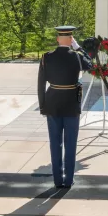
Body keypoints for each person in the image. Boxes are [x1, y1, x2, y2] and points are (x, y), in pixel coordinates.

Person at [37, 26, 93, 189]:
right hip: (71, 103)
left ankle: (57, 180)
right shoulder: (76, 56)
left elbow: (40, 83)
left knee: (55, 143)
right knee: (71, 143)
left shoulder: (46, 57)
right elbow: (90, 64)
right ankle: (68, 180)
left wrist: (42, 106)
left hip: (52, 103)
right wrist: (78, 47)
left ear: (57, 39)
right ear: (70, 40)